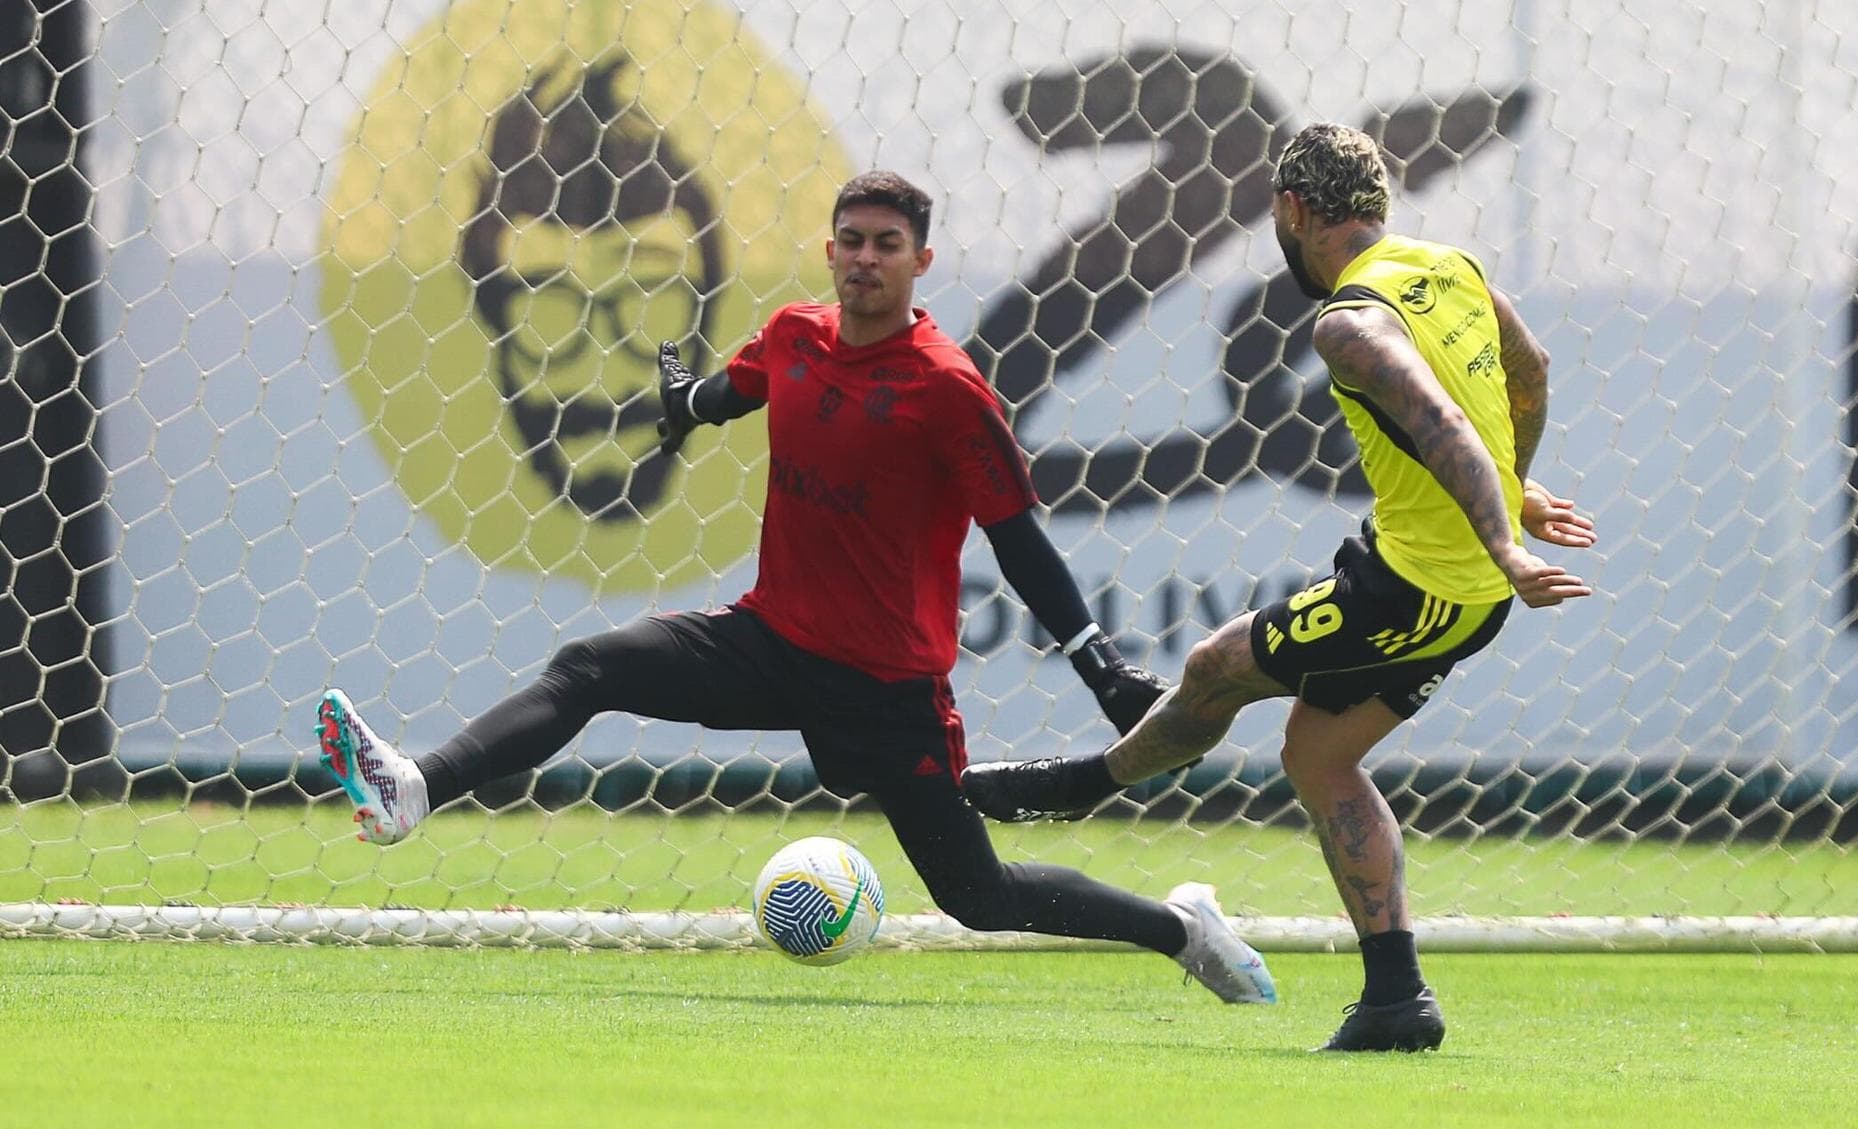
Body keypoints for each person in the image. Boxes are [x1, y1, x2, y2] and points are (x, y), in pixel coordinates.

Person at [315, 170, 1276, 1004]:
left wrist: (1102, 674)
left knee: (978, 900)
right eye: (851, 241)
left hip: (886, 688)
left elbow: (1021, 543)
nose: (865, 259)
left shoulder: (947, 389)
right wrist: (686, 405)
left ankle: (1182, 929)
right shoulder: (795, 336)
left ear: (921, 262)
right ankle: (412, 788)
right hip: (770, 643)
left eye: (887, 245)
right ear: (829, 249)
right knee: (590, 668)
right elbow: (734, 389)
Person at [963, 125, 1598, 1050]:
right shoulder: (1450, 265)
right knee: (1319, 757)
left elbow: (1445, 422)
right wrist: (1515, 487)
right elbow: (1529, 369)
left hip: (1415, 588)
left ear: (1293, 213)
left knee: (1218, 668)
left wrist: (1501, 531)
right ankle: (1396, 1000)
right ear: (1376, 207)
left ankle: (1093, 783)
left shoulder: (1346, 324)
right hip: (1459, 599)